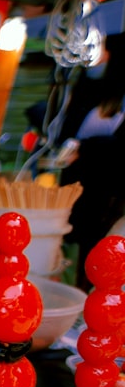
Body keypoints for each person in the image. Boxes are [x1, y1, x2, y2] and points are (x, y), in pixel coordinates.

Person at [60, 34, 125, 289]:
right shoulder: (89, 87)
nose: (96, 56)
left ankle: (96, 303)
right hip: (83, 184)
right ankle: (81, 298)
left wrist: (86, 148)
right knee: (84, 246)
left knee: (105, 250)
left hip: (111, 187)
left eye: (102, 50)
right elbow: (68, 127)